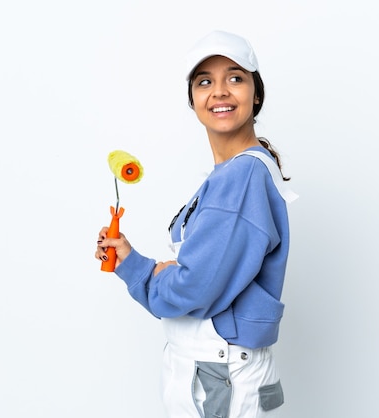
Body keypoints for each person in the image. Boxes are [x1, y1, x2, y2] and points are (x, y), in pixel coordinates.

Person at [95, 30, 297, 418]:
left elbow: (196, 288)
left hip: (220, 372)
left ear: (256, 94)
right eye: (205, 81)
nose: (219, 91)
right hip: (215, 369)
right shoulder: (228, 174)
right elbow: (203, 276)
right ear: (193, 100)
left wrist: (151, 272)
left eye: (235, 78)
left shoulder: (241, 179)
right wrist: (131, 261)